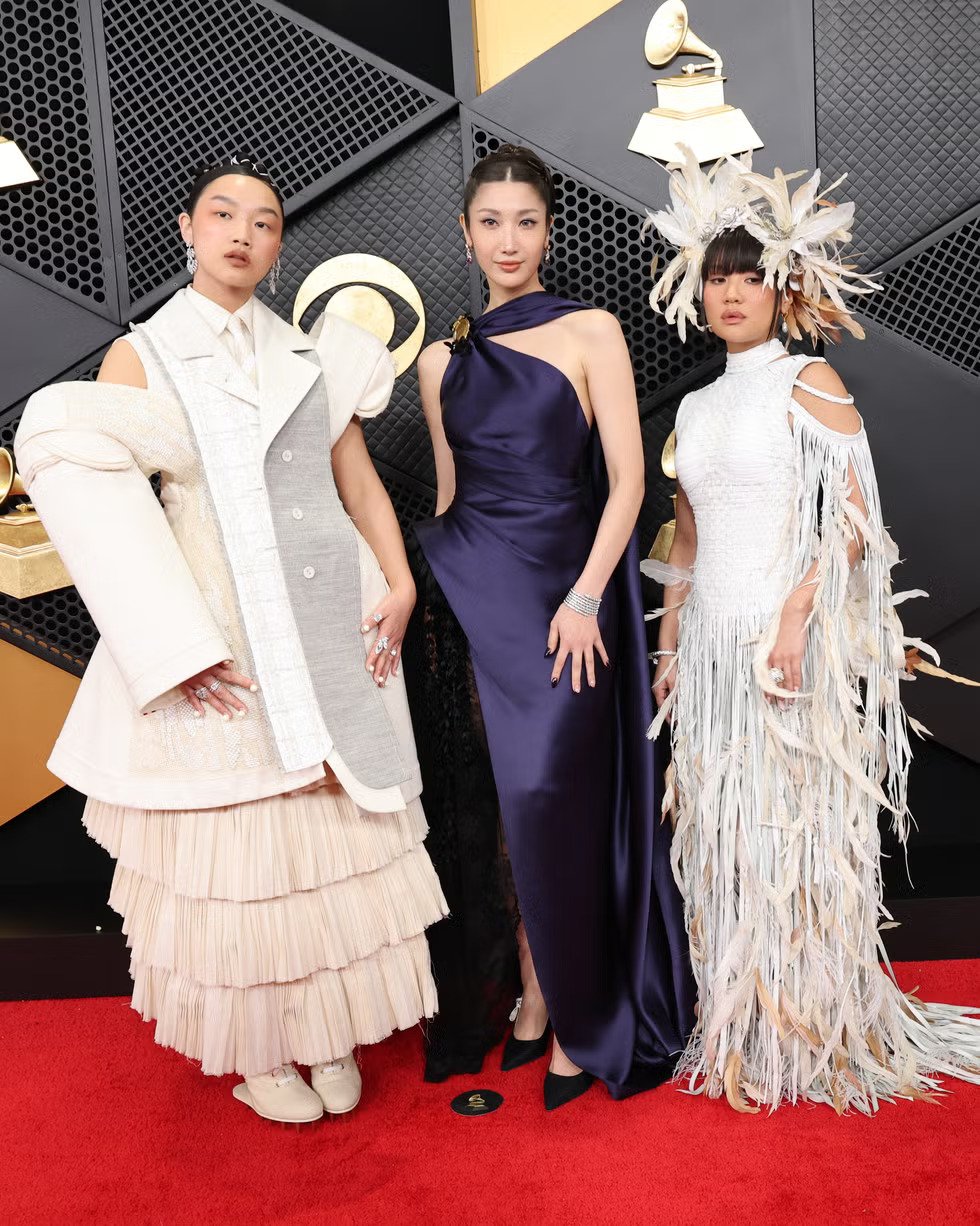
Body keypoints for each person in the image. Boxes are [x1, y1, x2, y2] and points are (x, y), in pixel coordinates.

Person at [15, 155, 447, 1125]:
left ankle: (325, 1023)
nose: (243, 232)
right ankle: (259, 1051)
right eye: (223, 213)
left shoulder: (307, 353)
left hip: (328, 616)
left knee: (323, 838)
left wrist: (401, 579)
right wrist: (168, 641)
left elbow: (360, 482)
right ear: (186, 228)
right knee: (239, 852)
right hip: (215, 630)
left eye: (263, 219)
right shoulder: (145, 354)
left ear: (279, 243)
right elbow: (104, 508)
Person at [644, 149, 980, 1113]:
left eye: (750, 277)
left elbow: (856, 523)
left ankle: (821, 1025)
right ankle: (748, 1027)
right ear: (700, 296)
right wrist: (671, 656)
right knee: (728, 842)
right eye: (718, 279)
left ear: (781, 288)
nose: (732, 293)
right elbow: (689, 540)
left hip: (786, 658)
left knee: (795, 841)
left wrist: (795, 622)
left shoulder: (809, 380)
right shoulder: (697, 409)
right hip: (710, 651)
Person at [406, 144, 693, 1110]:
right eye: (491, 222)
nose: (508, 240)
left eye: (526, 221)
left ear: (548, 230)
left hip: (570, 600)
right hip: (470, 596)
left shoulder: (589, 330)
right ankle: (529, 998)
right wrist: (415, 594)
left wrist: (582, 596)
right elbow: (450, 496)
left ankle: (580, 1015)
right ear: (466, 232)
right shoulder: (439, 359)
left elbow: (629, 483)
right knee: (492, 806)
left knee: (556, 804)